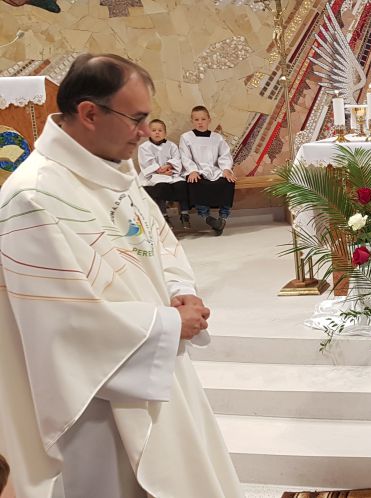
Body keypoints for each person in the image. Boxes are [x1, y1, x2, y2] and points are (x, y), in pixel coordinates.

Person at [0, 53, 242, 498]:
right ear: (89, 113)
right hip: (99, 402)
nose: (144, 132)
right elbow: (61, 323)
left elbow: (157, 243)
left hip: (158, 365)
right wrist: (169, 325)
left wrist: (181, 289)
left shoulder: (112, 168)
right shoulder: (32, 198)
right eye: (137, 119)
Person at [180, 105, 235, 235]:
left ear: (209, 120)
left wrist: (226, 169)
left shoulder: (217, 137)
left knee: (228, 182)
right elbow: (185, 156)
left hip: (214, 170)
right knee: (196, 183)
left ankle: (222, 218)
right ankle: (207, 218)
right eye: (196, 119)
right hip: (197, 170)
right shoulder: (186, 137)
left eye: (203, 119)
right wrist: (192, 170)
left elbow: (225, 154)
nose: (200, 122)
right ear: (192, 121)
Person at [137, 118, 189, 228]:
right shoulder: (144, 147)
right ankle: (164, 216)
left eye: (160, 130)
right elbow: (147, 163)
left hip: (171, 173)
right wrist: (159, 171)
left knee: (182, 185)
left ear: (165, 133)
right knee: (161, 187)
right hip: (154, 175)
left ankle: (185, 214)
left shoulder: (171, 146)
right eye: (154, 130)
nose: (157, 132)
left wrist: (169, 166)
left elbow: (177, 159)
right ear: (149, 133)